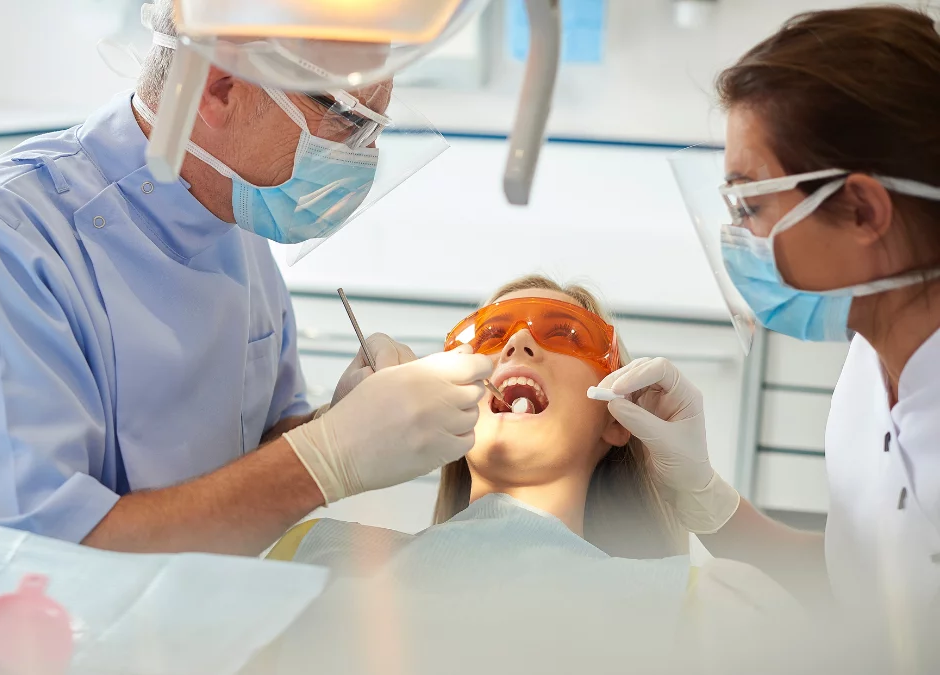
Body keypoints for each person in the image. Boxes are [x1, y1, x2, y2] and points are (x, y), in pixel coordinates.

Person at [0, 0, 491, 555]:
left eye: (374, 127)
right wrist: (326, 459)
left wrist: (338, 422)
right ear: (218, 88)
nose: (362, 157)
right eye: (346, 119)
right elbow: (35, 562)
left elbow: (248, 456)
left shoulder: (235, 217)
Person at [600, 4, 940, 643]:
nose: (739, 236)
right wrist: (704, 496)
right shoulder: (871, 363)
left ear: (864, 209)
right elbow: (862, 582)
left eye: (751, 204)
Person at [258, 275, 800, 675]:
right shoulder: (309, 557)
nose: (519, 344)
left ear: (616, 418)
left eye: (564, 333)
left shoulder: (710, 608)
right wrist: (325, 436)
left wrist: (711, 498)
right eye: (491, 336)